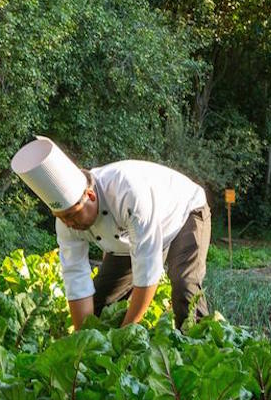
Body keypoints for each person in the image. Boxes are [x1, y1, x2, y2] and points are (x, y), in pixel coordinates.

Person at [11, 137, 210, 330]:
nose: (69, 223)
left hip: (184, 213)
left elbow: (147, 272)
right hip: (129, 239)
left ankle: (200, 348)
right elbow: (76, 276)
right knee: (100, 306)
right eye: (61, 217)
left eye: (72, 215)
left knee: (185, 286)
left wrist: (126, 335)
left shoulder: (128, 194)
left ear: (90, 196)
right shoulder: (66, 221)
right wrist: (83, 340)